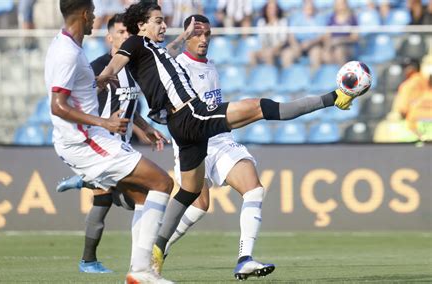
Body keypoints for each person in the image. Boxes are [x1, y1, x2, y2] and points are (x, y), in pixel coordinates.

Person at [96, 1, 359, 277]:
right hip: (192, 115)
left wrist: (183, 37)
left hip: (182, 127)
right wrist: (104, 75)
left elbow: (164, 55)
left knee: (189, 192)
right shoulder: (137, 43)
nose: (163, 24)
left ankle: (156, 250)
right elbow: (117, 61)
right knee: (263, 107)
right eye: (158, 20)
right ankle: (334, 98)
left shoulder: (154, 50)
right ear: (141, 25)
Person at [45, 1, 174, 283]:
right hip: (86, 141)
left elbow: (76, 90)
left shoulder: (68, 46)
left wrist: (98, 83)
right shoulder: (67, 52)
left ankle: (139, 271)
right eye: (92, 12)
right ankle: (140, 271)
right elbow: (57, 105)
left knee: (143, 197)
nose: (95, 17)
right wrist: (105, 122)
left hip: (88, 139)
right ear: (83, 14)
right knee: (163, 183)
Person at [164, 14, 275, 280]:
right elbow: (162, 55)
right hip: (192, 142)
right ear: (186, 36)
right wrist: (179, 37)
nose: (203, 40)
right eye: (196, 34)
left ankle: (245, 258)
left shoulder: (211, 65)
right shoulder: (177, 65)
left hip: (220, 139)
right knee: (200, 205)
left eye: (207, 35)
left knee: (254, 190)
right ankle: (159, 246)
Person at [280, 0, 325, 72]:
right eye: (307, 5)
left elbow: (322, 36)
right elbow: (291, 34)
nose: (309, 7)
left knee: (316, 54)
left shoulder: (320, 18)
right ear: (303, 6)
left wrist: (310, 43)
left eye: (311, 5)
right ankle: (289, 77)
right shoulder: (296, 17)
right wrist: (295, 45)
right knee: (287, 55)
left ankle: (314, 79)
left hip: (314, 45)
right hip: (297, 44)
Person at [249, 0, 288, 67]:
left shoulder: (282, 22)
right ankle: (255, 74)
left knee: (269, 54)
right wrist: (265, 49)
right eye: (270, 8)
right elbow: (261, 40)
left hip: (279, 49)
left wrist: (273, 49)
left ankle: (271, 74)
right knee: (251, 54)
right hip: (266, 48)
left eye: (274, 8)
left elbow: (283, 40)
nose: (272, 10)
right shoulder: (261, 22)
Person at [321, 0, 358, 66]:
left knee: (339, 51)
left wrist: (340, 40)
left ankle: (343, 74)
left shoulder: (352, 18)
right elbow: (327, 36)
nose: (340, 6)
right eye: (338, 4)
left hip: (348, 47)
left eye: (342, 3)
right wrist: (327, 48)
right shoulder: (331, 18)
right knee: (324, 54)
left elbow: (355, 37)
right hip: (333, 46)